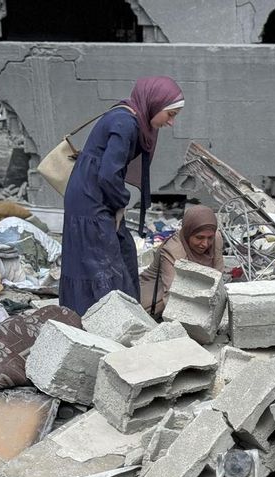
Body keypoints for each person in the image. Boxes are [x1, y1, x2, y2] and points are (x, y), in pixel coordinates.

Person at [60, 76, 184, 315]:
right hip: (92, 200)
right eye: (170, 115)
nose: (171, 123)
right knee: (102, 262)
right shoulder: (125, 123)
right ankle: (103, 321)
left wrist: (117, 206)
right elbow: (108, 173)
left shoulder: (130, 116)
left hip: (98, 196)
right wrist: (120, 204)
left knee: (121, 253)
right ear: (155, 105)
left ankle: (119, 317)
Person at [139, 205, 224, 318]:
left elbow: (218, 278)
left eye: (210, 238)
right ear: (188, 234)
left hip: (193, 291)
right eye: (199, 237)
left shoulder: (216, 239)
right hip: (156, 296)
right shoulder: (173, 250)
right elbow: (173, 296)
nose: (205, 244)